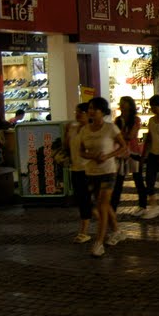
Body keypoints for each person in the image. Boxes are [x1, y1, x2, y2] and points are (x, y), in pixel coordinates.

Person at [78, 97, 128, 257]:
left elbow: (123, 147)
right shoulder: (84, 130)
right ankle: (117, 231)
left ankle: (99, 242)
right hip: (91, 172)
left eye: (95, 109)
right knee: (103, 206)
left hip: (108, 171)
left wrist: (108, 156)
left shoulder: (111, 128)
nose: (91, 111)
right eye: (90, 108)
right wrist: (92, 156)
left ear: (102, 111)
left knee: (102, 205)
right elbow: (81, 151)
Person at [111, 96, 148, 216]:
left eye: (124, 103)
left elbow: (131, 135)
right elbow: (116, 136)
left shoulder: (135, 119)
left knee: (138, 180)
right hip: (121, 154)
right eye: (121, 103)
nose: (121, 105)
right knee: (119, 182)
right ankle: (113, 207)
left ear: (129, 105)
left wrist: (120, 135)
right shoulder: (118, 119)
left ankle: (143, 205)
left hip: (134, 153)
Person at [65, 102, 93, 243]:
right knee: (82, 200)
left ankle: (84, 231)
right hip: (75, 168)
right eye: (76, 111)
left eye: (80, 112)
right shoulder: (72, 127)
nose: (77, 114)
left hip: (89, 170)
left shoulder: (91, 130)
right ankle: (112, 226)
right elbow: (67, 146)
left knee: (86, 200)